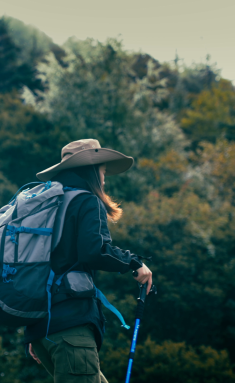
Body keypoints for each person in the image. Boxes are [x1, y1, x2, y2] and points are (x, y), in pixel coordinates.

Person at [26, 139, 152, 383]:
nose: (105, 178)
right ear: (93, 171)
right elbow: (94, 251)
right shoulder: (86, 201)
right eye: (104, 171)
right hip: (70, 329)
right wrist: (134, 263)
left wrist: (36, 330)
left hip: (42, 329)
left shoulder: (49, 204)